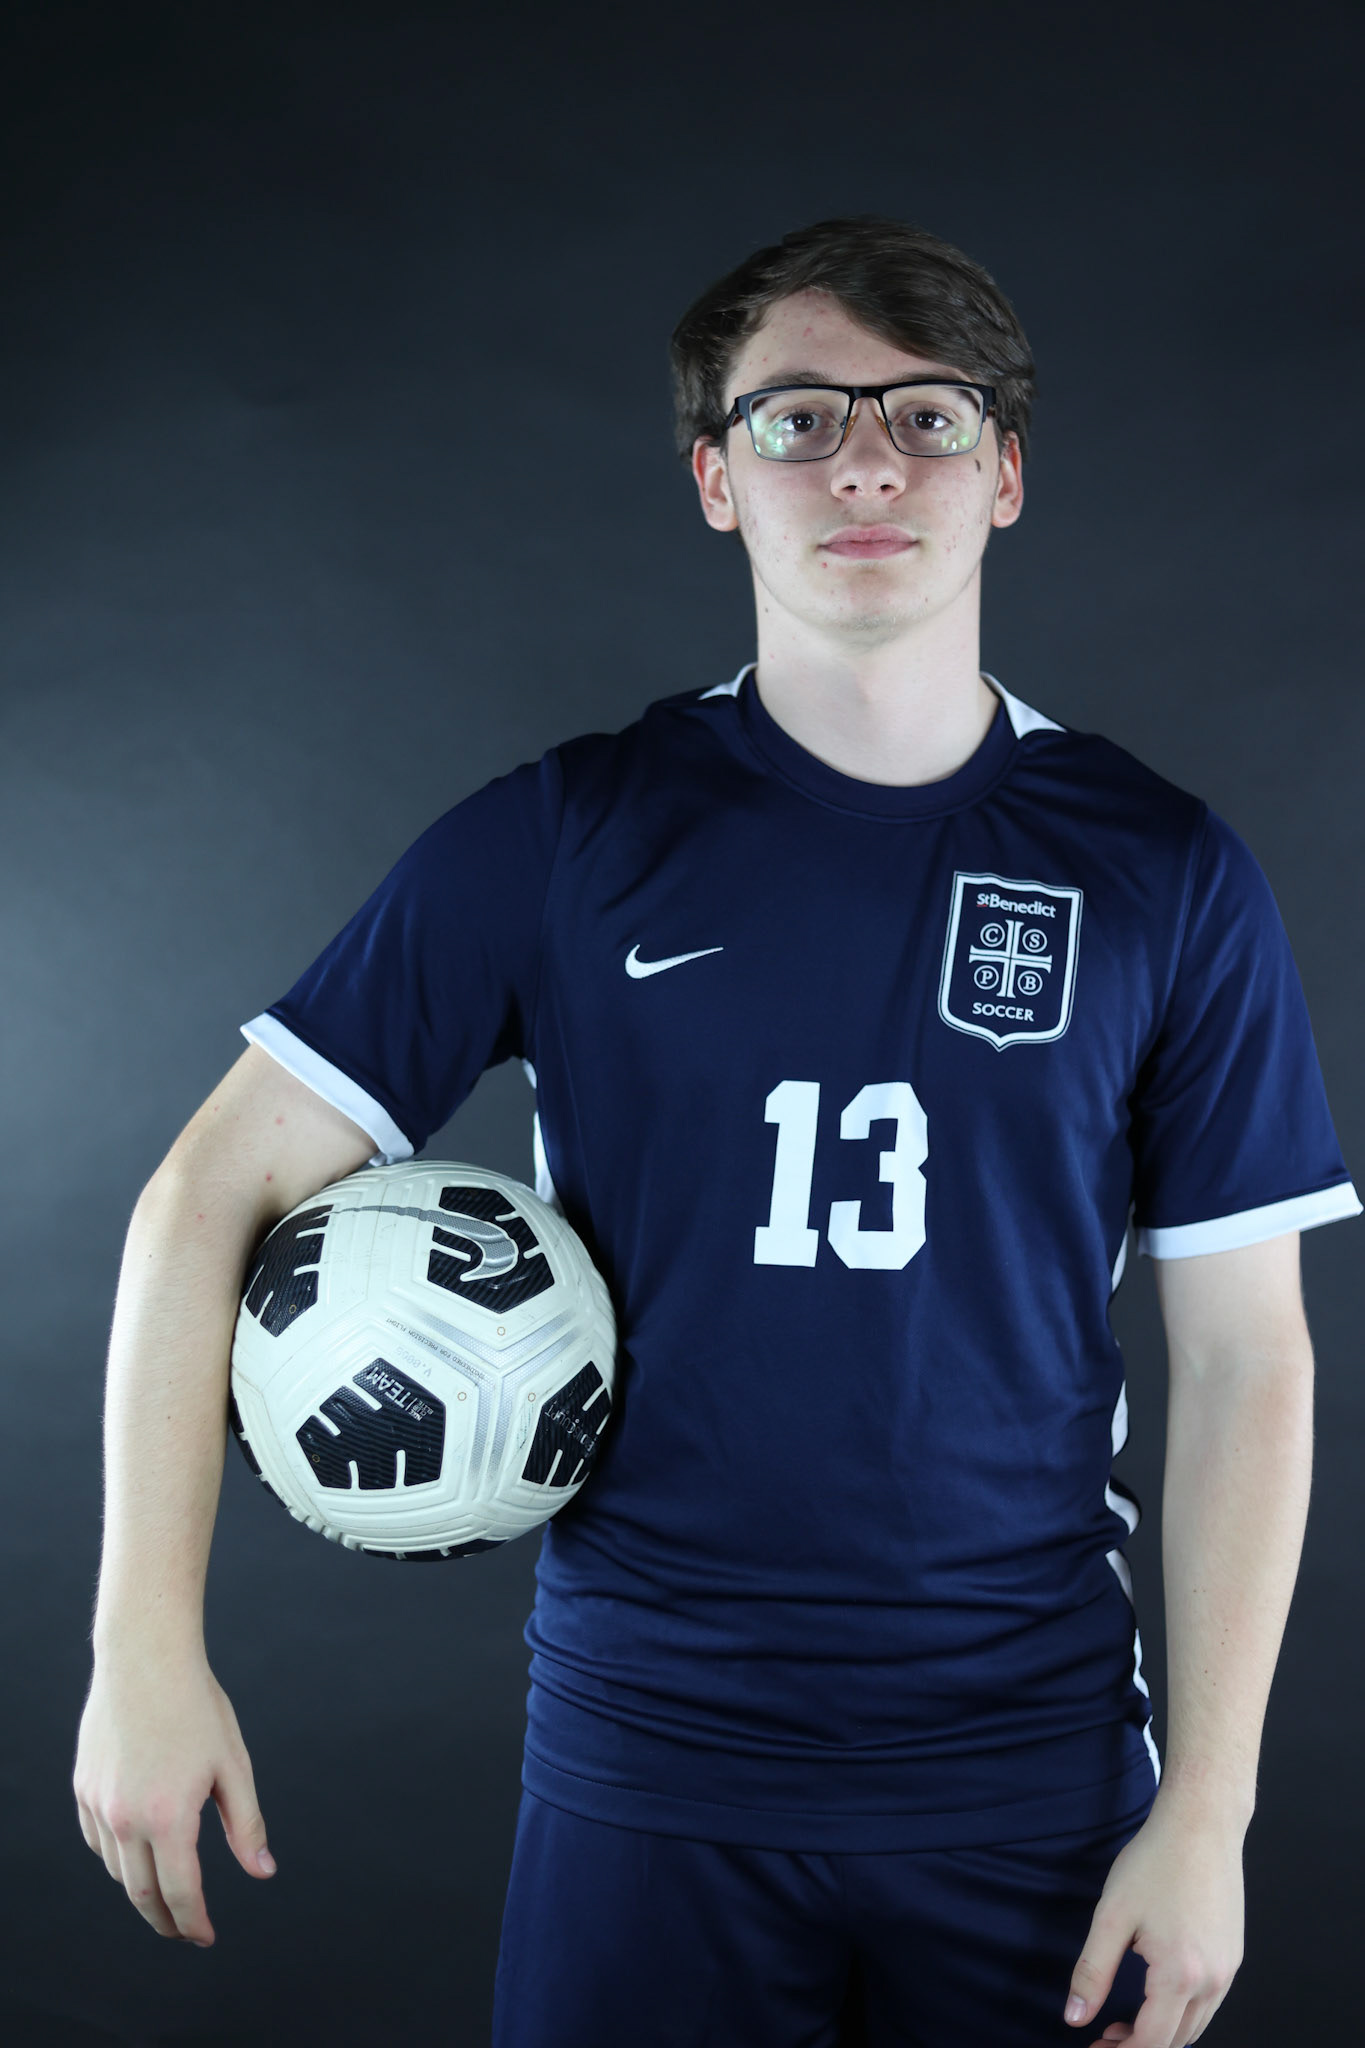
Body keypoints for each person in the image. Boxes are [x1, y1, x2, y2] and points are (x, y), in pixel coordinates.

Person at [74, 215, 1360, 2048]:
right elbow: (206, 1192)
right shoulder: (569, 836)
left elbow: (1246, 1359)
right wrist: (142, 1645)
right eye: (797, 418)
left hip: (1031, 1776)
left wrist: (1210, 1811)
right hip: (647, 1765)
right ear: (712, 478)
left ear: (1003, 475)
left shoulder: (1162, 872)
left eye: (926, 418)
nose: (864, 464)